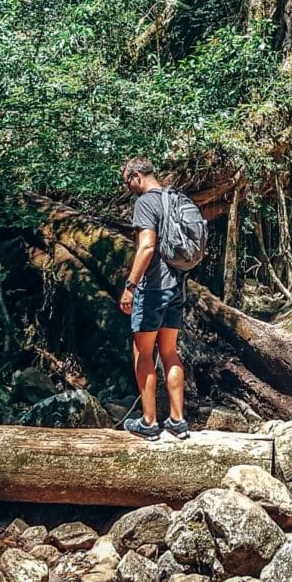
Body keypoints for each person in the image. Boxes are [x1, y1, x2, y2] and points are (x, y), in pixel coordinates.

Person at [117, 158, 190, 440]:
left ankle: (149, 423)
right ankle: (178, 421)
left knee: (143, 353)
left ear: (136, 175)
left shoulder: (146, 203)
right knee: (170, 352)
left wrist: (130, 286)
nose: (129, 187)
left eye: (128, 181)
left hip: (153, 288)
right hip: (177, 285)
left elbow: (147, 247)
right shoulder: (175, 198)